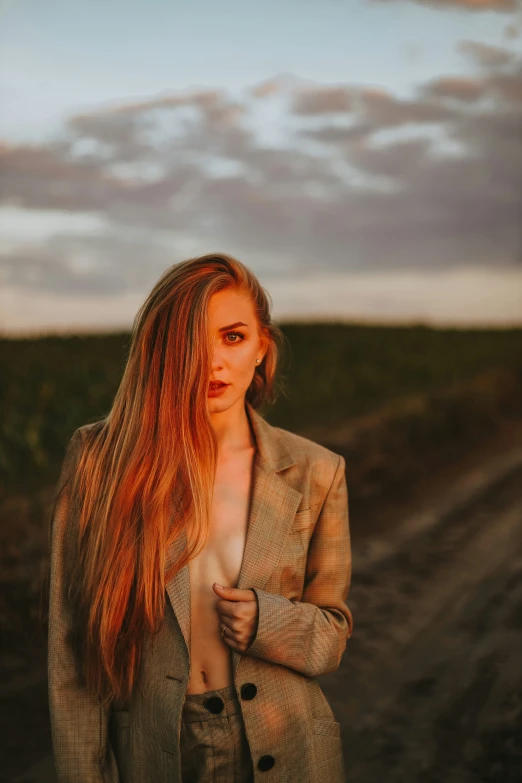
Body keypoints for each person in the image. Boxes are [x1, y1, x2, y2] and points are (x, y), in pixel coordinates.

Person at [46, 253, 353, 783]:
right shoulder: (101, 459)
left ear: (262, 347)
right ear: (163, 351)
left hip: (289, 748)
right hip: (155, 750)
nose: (212, 361)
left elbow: (332, 633)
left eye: (232, 337)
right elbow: (72, 649)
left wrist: (268, 620)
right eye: (192, 341)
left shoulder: (315, 471)